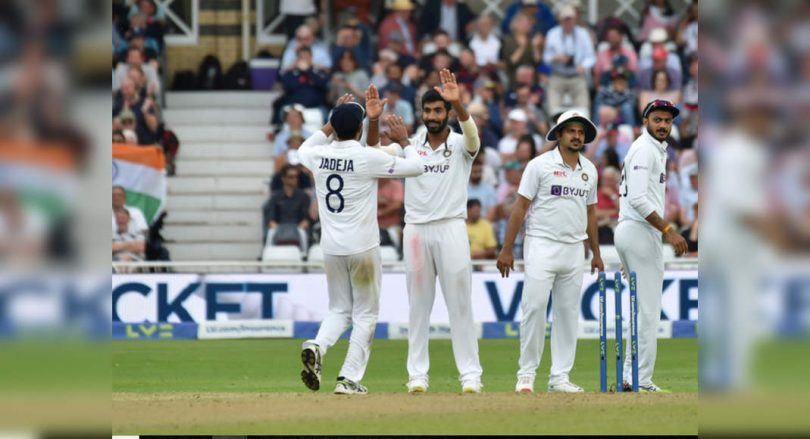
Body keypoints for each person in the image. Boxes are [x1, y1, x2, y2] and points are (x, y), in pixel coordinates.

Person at [297, 91, 425, 395]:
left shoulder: (317, 155)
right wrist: (405, 141)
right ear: (359, 129)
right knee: (365, 314)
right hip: (363, 248)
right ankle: (348, 379)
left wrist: (333, 120)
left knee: (339, 310)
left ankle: (318, 345)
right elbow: (416, 167)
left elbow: (303, 147)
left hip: (331, 247)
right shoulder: (367, 157)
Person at [367, 69, 483, 394]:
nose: (432, 116)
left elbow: (474, 139)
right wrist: (373, 121)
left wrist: (458, 103)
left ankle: (470, 375)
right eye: (428, 111)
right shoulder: (412, 142)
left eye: (438, 111)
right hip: (416, 230)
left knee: (460, 304)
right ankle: (417, 375)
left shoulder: (460, 144)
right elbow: (373, 154)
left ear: (447, 113)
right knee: (418, 307)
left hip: (451, 227)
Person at [496, 110, 604, 394]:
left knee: (567, 314)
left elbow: (591, 213)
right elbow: (520, 207)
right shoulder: (539, 165)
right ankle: (526, 375)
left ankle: (560, 377)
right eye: (571, 131)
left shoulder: (590, 170)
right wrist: (507, 248)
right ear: (558, 134)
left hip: (574, 248)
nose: (576, 136)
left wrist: (596, 252)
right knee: (534, 308)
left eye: (580, 132)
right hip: (541, 244)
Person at [615, 99, 688, 392]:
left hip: (632, 231)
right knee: (647, 311)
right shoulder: (645, 149)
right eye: (657, 119)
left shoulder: (654, 149)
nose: (663, 125)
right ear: (645, 121)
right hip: (639, 231)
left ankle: (631, 376)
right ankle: (640, 379)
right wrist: (669, 230)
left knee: (642, 311)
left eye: (667, 121)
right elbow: (637, 198)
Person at [543, 5, 596, 115]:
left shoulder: (583, 33)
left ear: (574, 19)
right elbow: (546, 57)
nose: (568, 22)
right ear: (561, 20)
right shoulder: (552, 33)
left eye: (570, 19)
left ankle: (583, 122)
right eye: (565, 19)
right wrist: (555, 57)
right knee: (552, 108)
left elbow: (591, 57)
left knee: (583, 108)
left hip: (577, 74)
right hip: (558, 74)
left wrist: (583, 65)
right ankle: (554, 122)